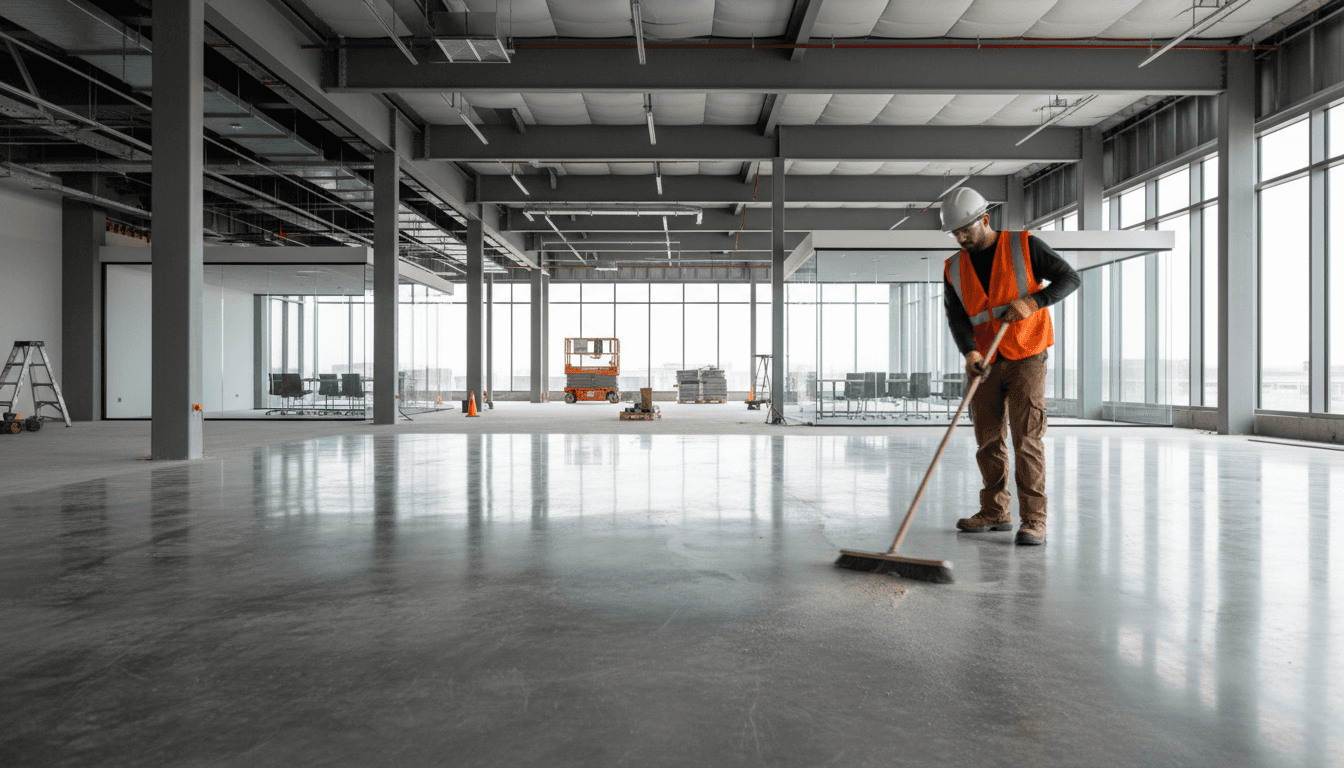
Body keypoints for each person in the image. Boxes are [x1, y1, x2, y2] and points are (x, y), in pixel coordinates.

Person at [940, 187, 1080, 545]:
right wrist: (969, 353)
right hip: (984, 362)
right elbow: (957, 317)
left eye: (965, 230)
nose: (960, 238)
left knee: (1026, 440)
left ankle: (1033, 520)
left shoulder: (1024, 246)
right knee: (987, 440)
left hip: (1026, 355)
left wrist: (1034, 302)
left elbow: (1069, 278)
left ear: (984, 220)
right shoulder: (953, 267)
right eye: (954, 233)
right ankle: (994, 511)